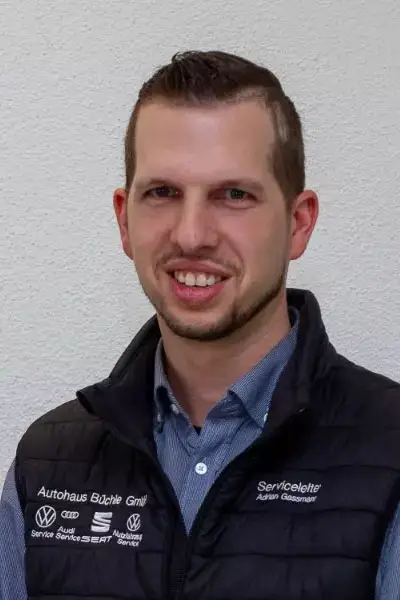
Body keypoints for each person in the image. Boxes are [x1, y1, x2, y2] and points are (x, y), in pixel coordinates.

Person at [1, 49, 400, 600]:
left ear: (298, 223)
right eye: (162, 193)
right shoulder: (48, 464)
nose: (192, 235)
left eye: (234, 195)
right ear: (124, 219)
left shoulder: (389, 452)